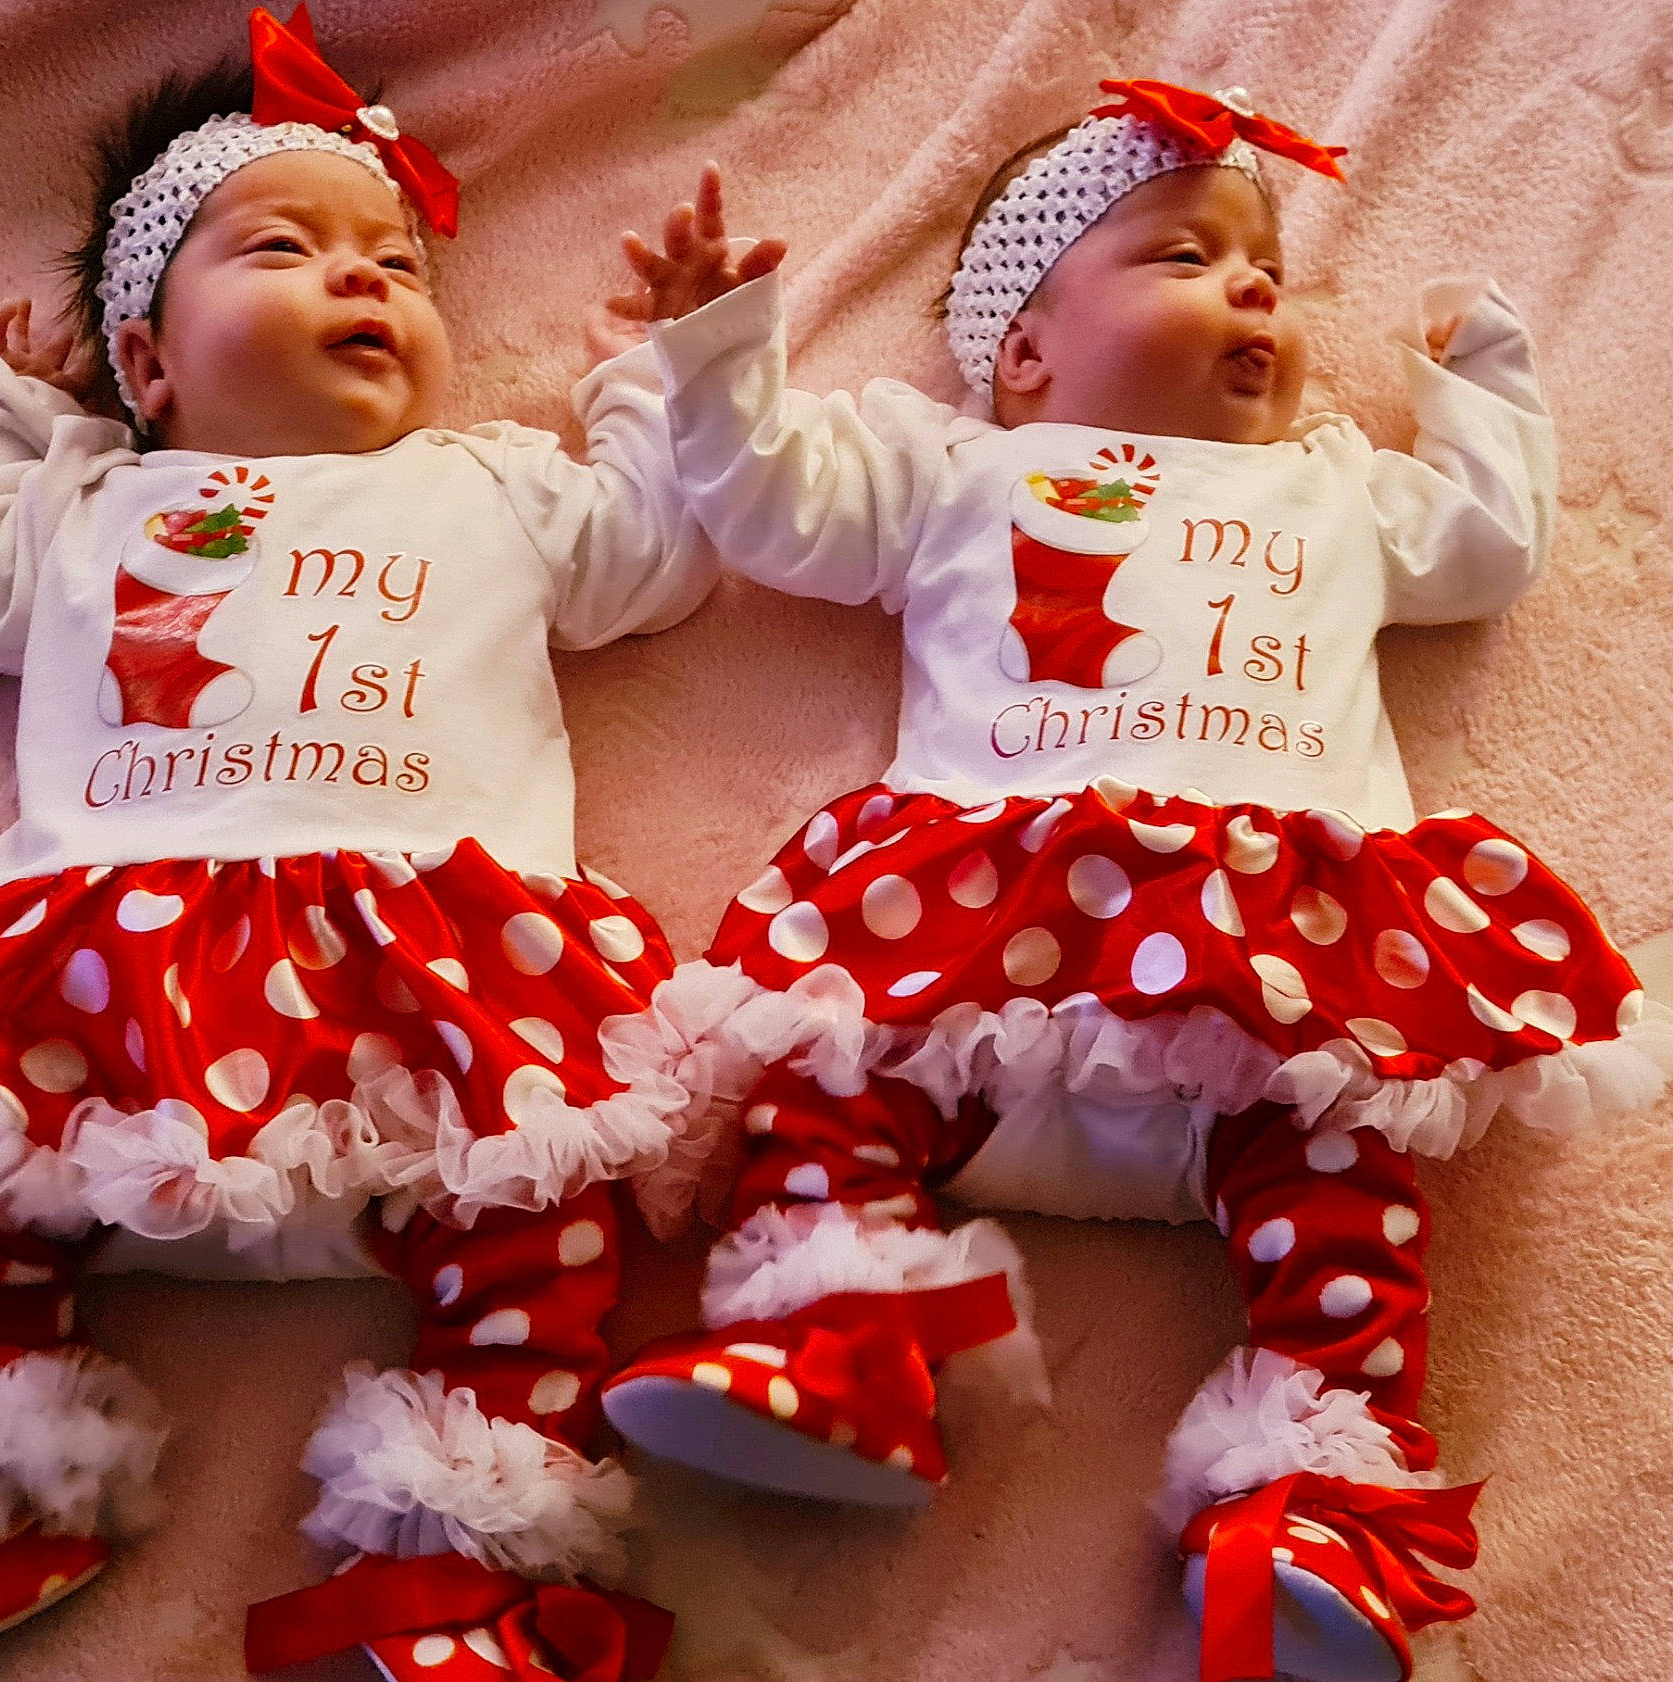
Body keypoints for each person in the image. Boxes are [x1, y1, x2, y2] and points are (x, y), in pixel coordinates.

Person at [0, 9, 712, 1680]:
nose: (366, 282)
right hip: (115, 968)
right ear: (147, 365)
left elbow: (654, 554)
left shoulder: (493, 483)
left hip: (423, 979)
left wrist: (658, 381)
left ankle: (470, 1550)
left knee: (540, 1213)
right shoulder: (83, 504)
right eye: (286, 247)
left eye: (399, 263)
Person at [594, 81, 1673, 1682]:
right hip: (990, 969)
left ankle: (1318, 1503)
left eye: (1269, 271)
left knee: (1349, 1179)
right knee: (828, 1077)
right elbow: (773, 503)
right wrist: (713, 356)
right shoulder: (955, 469)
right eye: (1187, 256)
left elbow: (1486, 546)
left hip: (1266, 990)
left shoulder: (1330, 487)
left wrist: (1481, 388)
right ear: (1025, 352)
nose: (1255, 287)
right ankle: (842, 1352)